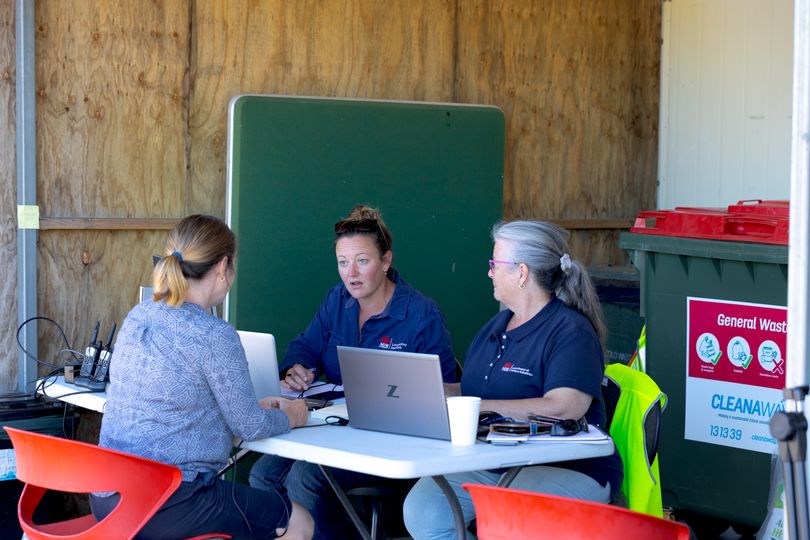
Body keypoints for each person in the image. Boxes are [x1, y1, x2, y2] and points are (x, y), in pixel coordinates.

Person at [91, 214, 313, 540]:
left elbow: (176, 408)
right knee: (300, 521)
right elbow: (250, 428)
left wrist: (248, 411)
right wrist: (293, 416)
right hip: (167, 503)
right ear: (223, 267)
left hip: (108, 499)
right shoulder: (214, 334)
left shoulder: (139, 315)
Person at [402, 220, 624, 540]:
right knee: (423, 511)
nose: (489, 272)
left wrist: (477, 407)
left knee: (510, 518)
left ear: (521, 273)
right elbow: (475, 390)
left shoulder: (570, 331)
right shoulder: (497, 325)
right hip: (495, 459)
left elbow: (565, 407)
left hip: (569, 465)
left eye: (494, 264)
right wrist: (429, 391)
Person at [250, 204, 457, 540]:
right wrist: (296, 367)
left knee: (305, 478)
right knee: (263, 473)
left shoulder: (421, 315)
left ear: (386, 261)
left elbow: (449, 390)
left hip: (393, 441)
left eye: (362, 261)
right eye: (343, 262)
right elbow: (305, 345)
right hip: (335, 429)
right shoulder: (336, 300)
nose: (351, 273)